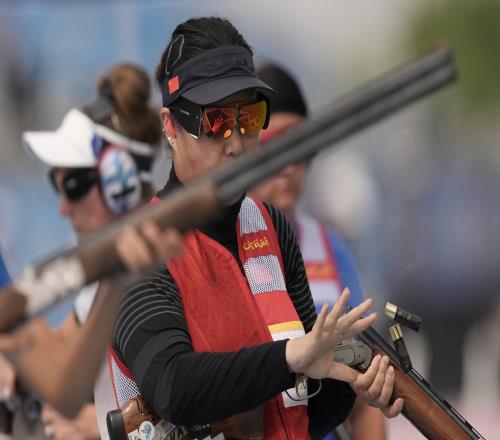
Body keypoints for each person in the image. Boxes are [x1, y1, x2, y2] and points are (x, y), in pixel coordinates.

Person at [105, 17, 403, 440]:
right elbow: (174, 387)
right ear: (170, 126)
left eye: (249, 118)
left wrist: (351, 385)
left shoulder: (272, 225)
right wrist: (291, 357)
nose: (236, 142)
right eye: (217, 121)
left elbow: (296, 411)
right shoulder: (138, 246)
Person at [0, 63, 183, 440]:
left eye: (73, 186)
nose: (62, 208)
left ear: (122, 184)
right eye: (57, 184)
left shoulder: (166, 260)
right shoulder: (100, 265)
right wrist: (19, 376)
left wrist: (103, 428)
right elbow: (61, 348)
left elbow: (199, 395)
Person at [251, 62, 386, 440]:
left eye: (301, 147)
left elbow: (366, 387)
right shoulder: (221, 250)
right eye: (275, 147)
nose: (290, 166)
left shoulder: (330, 247)